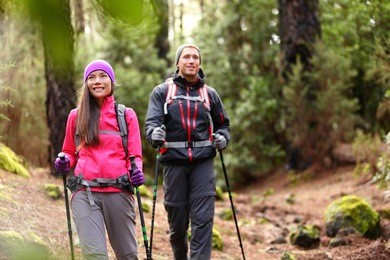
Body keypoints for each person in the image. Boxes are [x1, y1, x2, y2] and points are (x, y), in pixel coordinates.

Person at [145, 43, 230, 260]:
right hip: (174, 163)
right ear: (178, 62)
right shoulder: (162, 92)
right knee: (178, 224)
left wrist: (222, 138)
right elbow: (151, 123)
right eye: (186, 57)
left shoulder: (210, 94)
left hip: (203, 163)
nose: (191, 61)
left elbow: (223, 125)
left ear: (199, 63)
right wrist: (154, 134)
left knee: (203, 220)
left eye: (195, 57)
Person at [54, 59, 144, 260]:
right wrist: (64, 161)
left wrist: (136, 171)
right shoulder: (76, 116)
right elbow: (69, 151)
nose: (97, 81)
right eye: (92, 77)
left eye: (103, 76)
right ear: (86, 83)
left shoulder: (126, 115)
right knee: (95, 255)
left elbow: (135, 156)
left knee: (127, 255)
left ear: (112, 81)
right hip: (85, 192)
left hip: (119, 192)